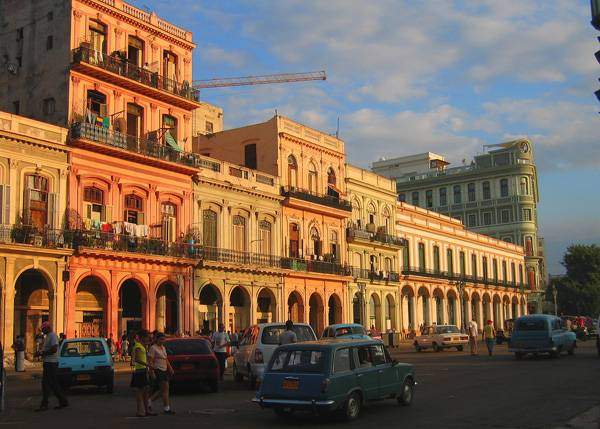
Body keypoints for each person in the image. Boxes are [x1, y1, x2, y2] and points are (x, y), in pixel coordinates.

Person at [35, 322, 68, 411]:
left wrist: (43, 353)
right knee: (52, 384)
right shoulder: (47, 336)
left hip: (51, 363)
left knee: (46, 384)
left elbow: (54, 349)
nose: (42, 330)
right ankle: (62, 401)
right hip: (48, 362)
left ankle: (45, 404)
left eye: (43, 328)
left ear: (48, 328)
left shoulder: (52, 336)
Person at [148, 333, 174, 415]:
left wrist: (170, 368)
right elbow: (150, 361)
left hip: (164, 369)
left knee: (163, 390)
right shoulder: (153, 348)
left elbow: (165, 359)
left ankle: (149, 401)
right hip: (158, 369)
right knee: (165, 389)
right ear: (156, 339)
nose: (162, 341)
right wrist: (152, 372)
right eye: (161, 339)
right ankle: (166, 408)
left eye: (164, 339)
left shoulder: (163, 348)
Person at [130, 330, 155, 417]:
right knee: (139, 393)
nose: (149, 338)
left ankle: (146, 410)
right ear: (143, 337)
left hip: (143, 370)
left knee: (145, 392)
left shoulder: (143, 346)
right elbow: (136, 359)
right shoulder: (138, 346)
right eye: (147, 337)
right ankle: (140, 411)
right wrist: (148, 365)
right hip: (139, 371)